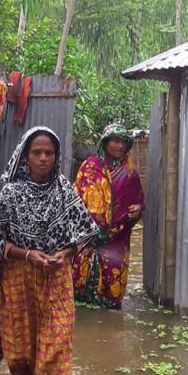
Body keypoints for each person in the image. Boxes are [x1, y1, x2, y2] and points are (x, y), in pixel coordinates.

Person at [0, 126, 99, 375]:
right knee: (20, 359)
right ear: (25, 156)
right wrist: (28, 254)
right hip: (18, 279)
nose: (43, 158)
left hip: (56, 277)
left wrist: (64, 253)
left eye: (49, 153)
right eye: (37, 152)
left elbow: (85, 232)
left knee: (57, 352)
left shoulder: (63, 190)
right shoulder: (11, 194)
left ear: (56, 156)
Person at [73, 124, 145, 310]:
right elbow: (74, 200)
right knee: (78, 287)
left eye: (123, 143)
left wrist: (138, 210)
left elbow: (139, 201)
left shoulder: (131, 175)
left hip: (116, 239)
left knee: (112, 292)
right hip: (86, 238)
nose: (119, 146)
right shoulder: (89, 167)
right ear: (105, 143)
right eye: (115, 141)